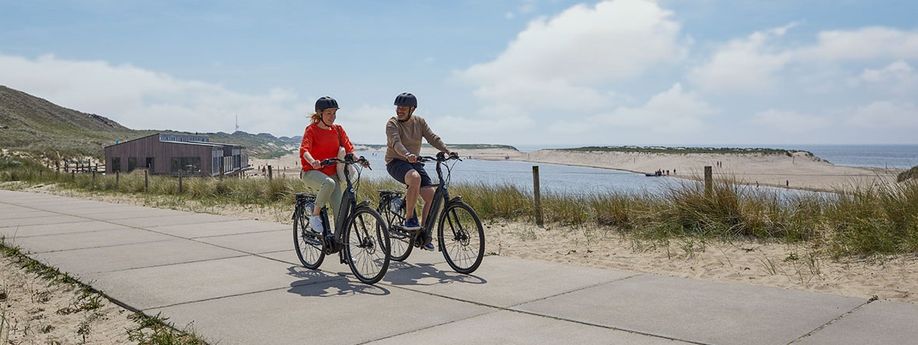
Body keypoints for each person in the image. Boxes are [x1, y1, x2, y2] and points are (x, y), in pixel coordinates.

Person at [385, 92, 453, 250]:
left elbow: (432, 137)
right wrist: (407, 154)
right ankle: (409, 219)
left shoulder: (419, 122)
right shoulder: (392, 123)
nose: (399, 110)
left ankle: (424, 233)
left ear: (412, 109)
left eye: (403, 107)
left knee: (431, 195)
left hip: (414, 162)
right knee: (415, 178)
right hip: (396, 162)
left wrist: (447, 150)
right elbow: (395, 143)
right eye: (398, 107)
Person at [299, 96, 359, 233]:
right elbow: (304, 150)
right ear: (320, 114)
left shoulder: (338, 130)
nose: (332, 117)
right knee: (329, 183)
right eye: (328, 113)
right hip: (311, 172)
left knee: (340, 209)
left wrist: (358, 159)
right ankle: (315, 216)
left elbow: (348, 148)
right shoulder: (311, 130)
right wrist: (312, 161)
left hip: (332, 174)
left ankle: (341, 245)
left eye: (334, 113)